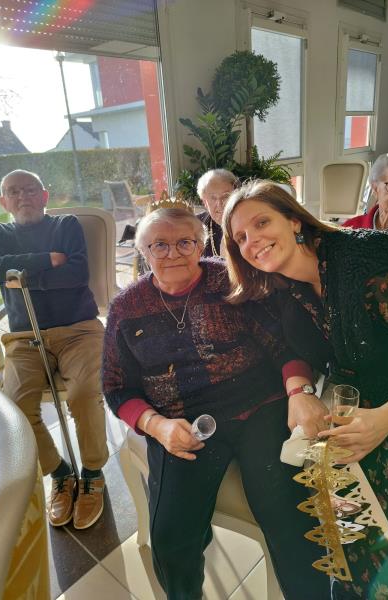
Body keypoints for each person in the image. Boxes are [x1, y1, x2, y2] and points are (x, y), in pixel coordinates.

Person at [102, 204, 330, 600]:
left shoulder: (230, 280)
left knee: (287, 515)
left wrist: (299, 391)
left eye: (185, 243)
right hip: (181, 420)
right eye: (159, 245)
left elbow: (284, 344)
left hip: (259, 405)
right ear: (142, 251)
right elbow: (116, 386)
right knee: (172, 537)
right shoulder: (127, 307)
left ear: (202, 243)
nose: (173, 254)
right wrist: (157, 425)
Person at [223, 179, 388, 599]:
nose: (252, 241)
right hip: (359, 417)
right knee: (347, 544)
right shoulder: (284, 284)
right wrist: (299, 390)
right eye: (240, 237)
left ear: (295, 220)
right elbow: (286, 345)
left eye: (262, 223)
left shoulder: (370, 266)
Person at [0, 169, 109, 530]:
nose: (23, 196)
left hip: (79, 330)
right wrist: (48, 260)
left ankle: (93, 472)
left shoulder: (66, 225)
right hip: (24, 337)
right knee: (15, 407)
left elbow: (76, 274)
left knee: (84, 394)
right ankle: (60, 472)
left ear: (44, 196)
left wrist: (19, 276)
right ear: (3, 201)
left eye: (30, 189)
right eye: (13, 192)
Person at [197, 168, 239, 257]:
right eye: (213, 198)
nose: (220, 204)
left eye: (226, 196)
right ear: (204, 202)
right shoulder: (195, 225)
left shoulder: (247, 221)